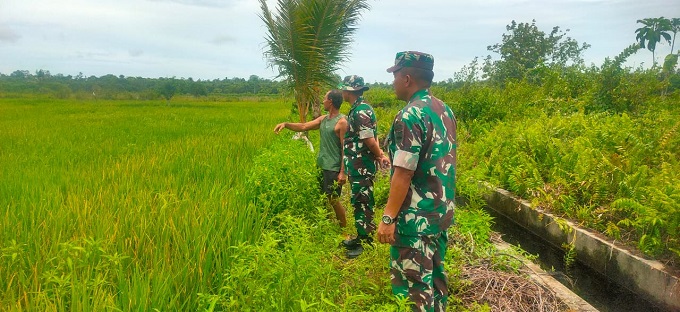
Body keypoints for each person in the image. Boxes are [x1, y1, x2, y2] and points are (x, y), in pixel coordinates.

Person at [377, 51, 457, 311]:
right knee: (435, 281)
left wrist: (388, 218)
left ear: (407, 78)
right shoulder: (444, 110)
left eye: (395, 76)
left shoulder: (409, 116)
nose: (393, 82)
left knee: (414, 291)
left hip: (415, 222)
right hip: (439, 215)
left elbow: (403, 172)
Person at [274, 89, 348, 228]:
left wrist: (343, 172)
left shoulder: (342, 122)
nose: (323, 101)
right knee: (323, 197)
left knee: (333, 199)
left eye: (325, 98)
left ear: (331, 101)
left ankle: (343, 231)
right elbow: (303, 126)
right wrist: (286, 124)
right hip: (322, 165)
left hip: (333, 167)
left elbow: (346, 149)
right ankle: (327, 224)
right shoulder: (323, 119)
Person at [338, 75, 390, 259]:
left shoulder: (360, 111)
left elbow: (369, 138)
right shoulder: (359, 109)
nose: (342, 92)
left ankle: (365, 242)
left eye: (344, 89)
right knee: (359, 200)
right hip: (357, 165)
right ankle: (361, 236)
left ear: (350, 91)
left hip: (361, 166)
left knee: (362, 201)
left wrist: (379, 155)